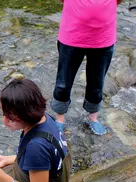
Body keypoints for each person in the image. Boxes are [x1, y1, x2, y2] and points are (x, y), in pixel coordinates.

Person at [50, 0, 122, 135]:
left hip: (103, 36)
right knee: (63, 82)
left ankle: (93, 117)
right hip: (72, 34)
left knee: (97, 81)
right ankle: (59, 119)